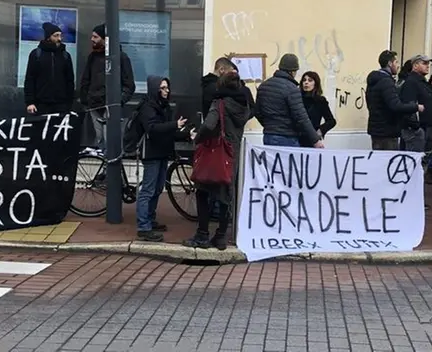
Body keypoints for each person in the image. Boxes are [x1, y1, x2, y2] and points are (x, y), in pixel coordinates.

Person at [184, 71, 251, 251]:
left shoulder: (219, 103)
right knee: (225, 197)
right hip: (232, 155)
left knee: (202, 193)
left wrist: (198, 138)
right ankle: (221, 236)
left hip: (216, 154)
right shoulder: (244, 106)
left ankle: (202, 235)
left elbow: (209, 125)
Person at [135, 75, 190, 242]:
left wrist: (186, 134)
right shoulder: (147, 107)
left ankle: (150, 220)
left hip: (162, 152)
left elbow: (167, 132)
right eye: (163, 88)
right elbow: (153, 129)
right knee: (148, 190)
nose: (167, 91)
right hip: (151, 153)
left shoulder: (163, 106)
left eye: (167, 88)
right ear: (155, 90)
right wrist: (175, 126)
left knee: (158, 188)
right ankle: (143, 227)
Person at [79, 24, 135, 152]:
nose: (92, 39)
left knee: (109, 140)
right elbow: (86, 80)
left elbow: (129, 84)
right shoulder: (92, 57)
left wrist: (118, 101)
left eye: (95, 37)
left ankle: (108, 170)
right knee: (99, 140)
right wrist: (85, 99)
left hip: (109, 105)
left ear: (105, 39)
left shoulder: (120, 57)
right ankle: (103, 168)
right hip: (94, 105)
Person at [255, 54, 323, 148]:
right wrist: (315, 140)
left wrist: (269, 126)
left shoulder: (263, 86)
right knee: (290, 162)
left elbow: (257, 111)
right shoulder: (292, 89)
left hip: (268, 136)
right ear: (293, 71)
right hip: (287, 137)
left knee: (273, 162)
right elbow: (301, 117)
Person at [365, 50, 423, 150]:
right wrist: (416, 107)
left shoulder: (375, 81)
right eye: (396, 62)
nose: (398, 66)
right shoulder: (386, 82)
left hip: (377, 129)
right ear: (389, 63)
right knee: (389, 162)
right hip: (387, 130)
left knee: (380, 161)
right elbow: (395, 105)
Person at [23, 22, 75, 114]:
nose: (59, 38)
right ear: (48, 37)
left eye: (60, 35)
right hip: (40, 104)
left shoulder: (65, 56)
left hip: (61, 105)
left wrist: (69, 103)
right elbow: (30, 79)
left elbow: (70, 81)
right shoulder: (36, 54)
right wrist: (30, 102)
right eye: (56, 36)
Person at [399, 54, 432, 153]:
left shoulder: (423, 82)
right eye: (424, 63)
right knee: (413, 161)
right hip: (415, 131)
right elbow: (408, 106)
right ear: (415, 65)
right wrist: (416, 127)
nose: (428, 66)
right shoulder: (411, 82)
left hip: (425, 127)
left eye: (428, 64)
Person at [300, 71, 337, 138]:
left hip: (312, 138)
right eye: (304, 80)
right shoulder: (297, 99)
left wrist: (321, 130)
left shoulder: (320, 101)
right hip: (295, 138)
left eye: (310, 80)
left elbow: (331, 121)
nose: (306, 82)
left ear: (315, 84)